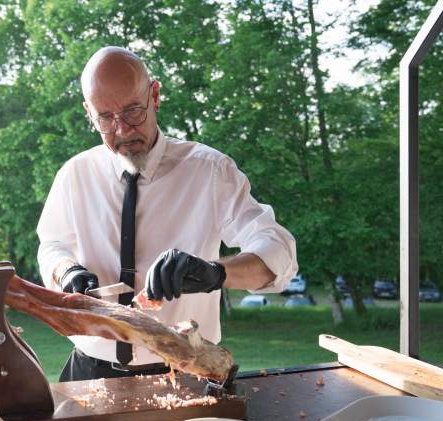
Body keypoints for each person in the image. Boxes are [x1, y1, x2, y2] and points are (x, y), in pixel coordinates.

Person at [36, 46, 297, 382]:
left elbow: (279, 252)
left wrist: (215, 273)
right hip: (88, 371)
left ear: (155, 95)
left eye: (133, 111)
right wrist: (66, 271)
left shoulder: (210, 171)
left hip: (188, 372)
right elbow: (52, 245)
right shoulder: (75, 174)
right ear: (89, 112)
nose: (122, 130)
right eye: (105, 118)